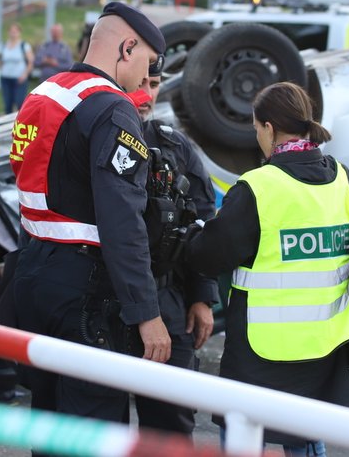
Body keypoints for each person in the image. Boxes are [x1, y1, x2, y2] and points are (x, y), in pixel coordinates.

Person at [4, 1, 171, 432]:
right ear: (127, 48)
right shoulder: (113, 109)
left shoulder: (42, 95)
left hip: (32, 270)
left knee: (48, 420)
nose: (143, 80)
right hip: (85, 290)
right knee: (92, 426)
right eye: (147, 64)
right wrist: (146, 313)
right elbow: (122, 222)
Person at [186, 81, 349, 456]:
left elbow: (209, 256)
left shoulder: (258, 188)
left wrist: (193, 235)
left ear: (268, 127)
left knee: (243, 428)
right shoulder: (343, 179)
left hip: (261, 346)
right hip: (324, 341)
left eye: (256, 129)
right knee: (307, 435)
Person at [130, 62, 218, 437]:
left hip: (168, 299)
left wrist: (202, 297)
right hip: (104, 300)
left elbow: (201, 222)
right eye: (140, 83)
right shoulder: (94, 137)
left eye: (154, 84)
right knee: (98, 424)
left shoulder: (174, 145)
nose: (147, 94)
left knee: (171, 423)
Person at [0, 23, 34, 114]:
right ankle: (7, 126)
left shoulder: (24, 46)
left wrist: (24, 75)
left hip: (19, 79)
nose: (13, 33)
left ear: (19, 32)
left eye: (15, 31)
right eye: (11, 31)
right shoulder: (3, 45)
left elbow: (30, 62)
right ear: (8, 32)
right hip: (5, 78)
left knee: (19, 102)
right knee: (8, 104)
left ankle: (18, 124)